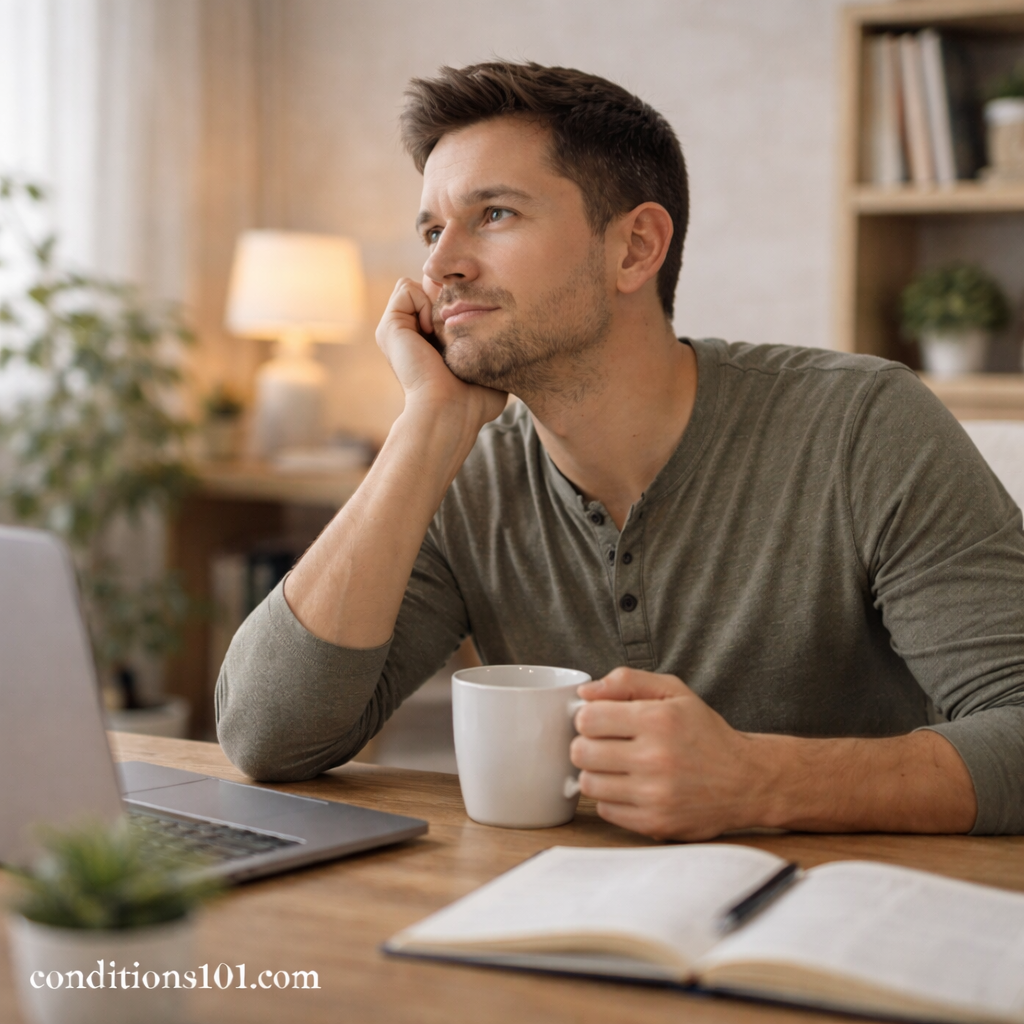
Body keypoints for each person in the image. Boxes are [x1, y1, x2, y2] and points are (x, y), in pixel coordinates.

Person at [216, 61, 1024, 840]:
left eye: (493, 214)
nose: (439, 266)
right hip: (562, 924)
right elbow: (268, 739)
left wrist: (759, 779)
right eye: (431, 228)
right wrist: (423, 427)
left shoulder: (863, 426)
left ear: (636, 248)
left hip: (852, 929)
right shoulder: (462, 468)